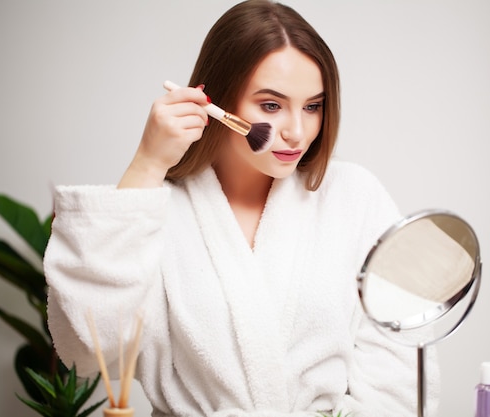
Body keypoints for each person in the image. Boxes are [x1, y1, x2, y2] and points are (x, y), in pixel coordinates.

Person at [44, 1, 439, 416]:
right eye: (271, 105)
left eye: (312, 106)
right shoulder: (157, 210)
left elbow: (398, 359)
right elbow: (88, 352)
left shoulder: (353, 196)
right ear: (216, 100)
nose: (296, 132)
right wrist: (147, 163)